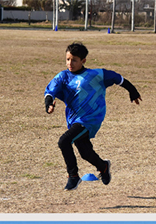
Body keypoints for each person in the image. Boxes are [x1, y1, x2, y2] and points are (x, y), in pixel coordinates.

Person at [44, 42, 142, 191]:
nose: (70, 63)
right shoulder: (63, 76)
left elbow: (118, 78)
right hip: (75, 120)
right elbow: (50, 90)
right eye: (68, 59)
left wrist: (132, 91)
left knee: (64, 141)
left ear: (83, 61)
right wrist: (49, 103)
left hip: (90, 119)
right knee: (85, 152)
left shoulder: (96, 75)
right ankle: (103, 167)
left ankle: (73, 176)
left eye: (74, 60)